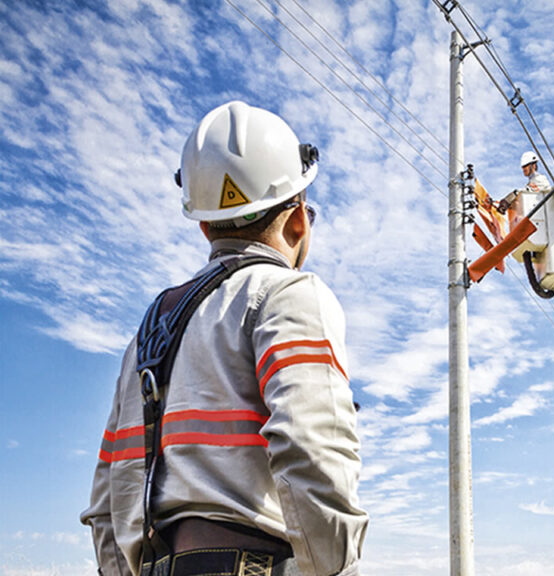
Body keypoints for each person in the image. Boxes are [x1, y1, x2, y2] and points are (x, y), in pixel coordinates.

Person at [81, 101, 368, 576]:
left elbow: (107, 498)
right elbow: (313, 450)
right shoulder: (290, 294)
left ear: (203, 224)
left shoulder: (151, 328)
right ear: (298, 218)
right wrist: (335, 568)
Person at [498, 151, 551, 225]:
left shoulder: (540, 179)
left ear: (534, 165)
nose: (524, 169)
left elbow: (526, 191)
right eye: (523, 167)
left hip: (545, 217)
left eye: (526, 166)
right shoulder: (531, 182)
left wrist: (508, 199)